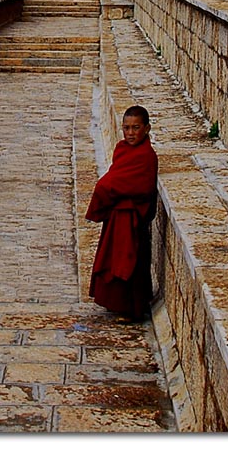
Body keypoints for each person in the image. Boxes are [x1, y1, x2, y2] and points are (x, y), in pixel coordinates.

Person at [86, 105, 158, 321]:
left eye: (136, 128)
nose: (130, 133)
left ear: (147, 128)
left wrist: (107, 193)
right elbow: (116, 176)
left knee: (130, 262)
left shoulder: (146, 156)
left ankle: (132, 309)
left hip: (133, 217)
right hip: (119, 214)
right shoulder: (122, 149)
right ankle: (115, 302)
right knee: (113, 258)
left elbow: (138, 186)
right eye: (126, 128)